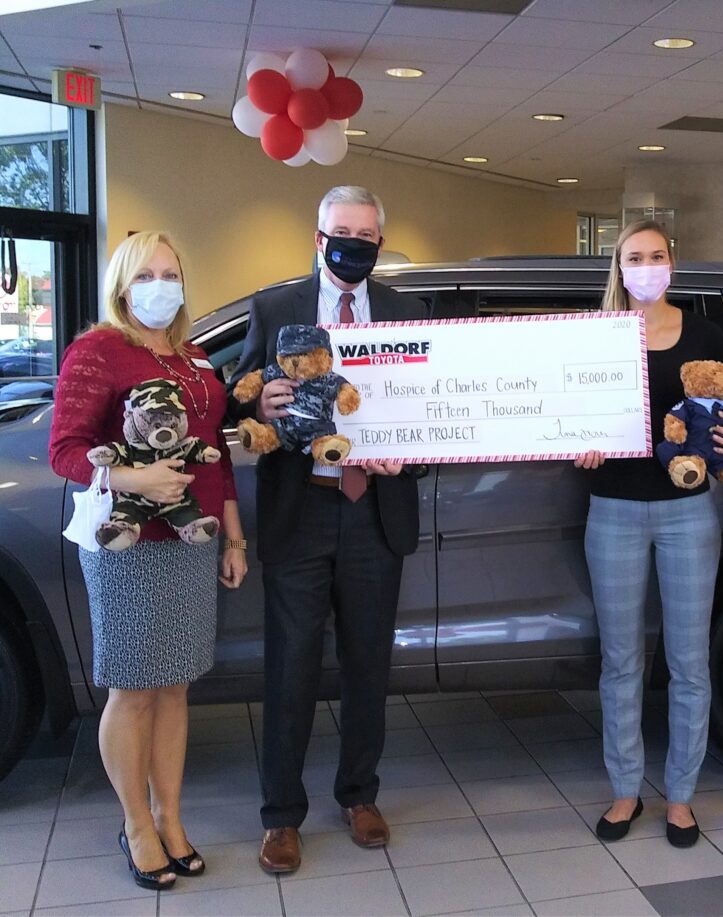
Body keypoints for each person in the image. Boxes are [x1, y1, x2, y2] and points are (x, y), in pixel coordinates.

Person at [228, 186, 425, 875]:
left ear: (380, 239)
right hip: (300, 510)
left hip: (377, 508)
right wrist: (265, 393)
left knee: (369, 664)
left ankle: (359, 794)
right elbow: (237, 391)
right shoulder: (275, 307)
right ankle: (282, 815)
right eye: (342, 231)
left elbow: (435, 409)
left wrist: (415, 452)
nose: (354, 243)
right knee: (291, 669)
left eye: (367, 233)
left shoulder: (406, 313)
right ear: (318, 237)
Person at [49, 231, 247, 891]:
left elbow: (213, 450)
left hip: (191, 541)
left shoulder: (193, 356)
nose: (160, 286)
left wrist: (234, 536)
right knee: (133, 688)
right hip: (127, 544)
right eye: (146, 276)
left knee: (176, 684)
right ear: (122, 287)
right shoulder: (98, 349)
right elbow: (66, 450)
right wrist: (136, 480)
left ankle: (171, 815)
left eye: (171, 272)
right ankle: (136, 822)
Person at [575, 220, 723, 848]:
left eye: (656, 255)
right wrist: (578, 445)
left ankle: (681, 797)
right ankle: (626, 790)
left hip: (686, 513)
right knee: (620, 661)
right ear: (617, 267)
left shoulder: (704, 333)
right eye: (633, 257)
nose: (646, 266)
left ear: (672, 262)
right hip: (612, 508)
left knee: (689, 661)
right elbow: (572, 410)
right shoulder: (597, 335)